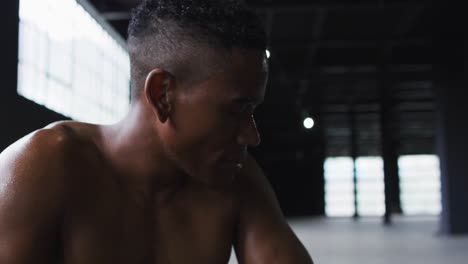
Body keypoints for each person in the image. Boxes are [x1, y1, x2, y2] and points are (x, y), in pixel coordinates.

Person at [0, 0, 314, 263]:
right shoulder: (43, 167)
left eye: (253, 111)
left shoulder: (233, 178)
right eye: (237, 110)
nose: (251, 135)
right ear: (163, 94)